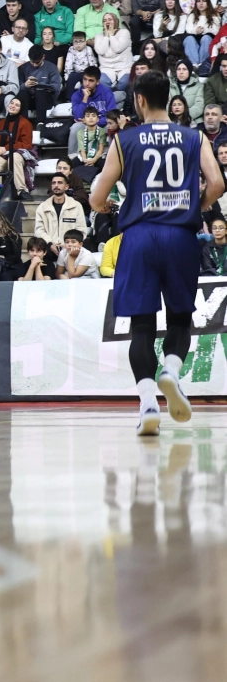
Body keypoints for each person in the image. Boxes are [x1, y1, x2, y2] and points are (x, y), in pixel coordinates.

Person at [91, 69, 225, 435]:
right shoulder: (195, 137)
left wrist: (106, 208)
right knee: (180, 320)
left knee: (141, 327)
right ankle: (171, 371)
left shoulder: (124, 141)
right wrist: (196, 205)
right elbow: (217, 183)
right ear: (168, 98)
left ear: (139, 100)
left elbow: (96, 196)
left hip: (139, 236)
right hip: (180, 235)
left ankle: (148, 403)